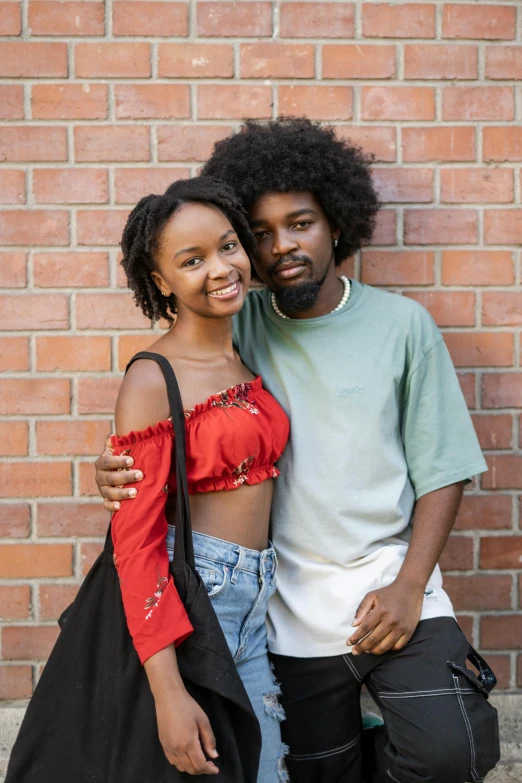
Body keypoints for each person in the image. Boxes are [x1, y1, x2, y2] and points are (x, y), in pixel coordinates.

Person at [95, 118, 500, 783]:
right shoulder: (234, 322)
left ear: (336, 223)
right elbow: (168, 395)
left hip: (392, 589)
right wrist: (113, 466)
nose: (282, 246)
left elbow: (445, 470)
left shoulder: (403, 326)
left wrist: (407, 585)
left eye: (302, 222)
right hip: (282, 613)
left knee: (452, 750)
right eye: (259, 231)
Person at [106, 176, 290, 781]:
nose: (221, 268)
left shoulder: (243, 350)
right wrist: (167, 695)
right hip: (197, 602)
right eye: (192, 261)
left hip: (256, 602)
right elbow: (135, 544)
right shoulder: (153, 378)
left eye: (228, 245)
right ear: (161, 282)